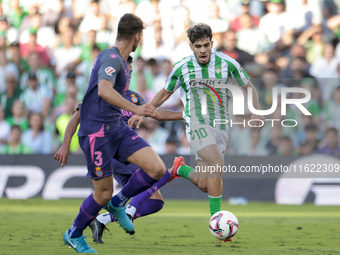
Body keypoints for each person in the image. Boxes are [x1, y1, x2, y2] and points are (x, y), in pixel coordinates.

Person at [129, 23, 266, 242]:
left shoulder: (228, 64)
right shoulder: (182, 67)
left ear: (212, 43)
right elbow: (165, 93)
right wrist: (143, 112)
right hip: (197, 125)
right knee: (217, 163)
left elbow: (248, 86)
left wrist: (257, 111)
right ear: (191, 46)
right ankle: (218, 222)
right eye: (197, 46)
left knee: (205, 184)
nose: (202, 50)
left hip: (220, 127)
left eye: (205, 45)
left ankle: (179, 169)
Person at [61, 14, 180, 254]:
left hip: (116, 128)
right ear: (137, 36)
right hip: (96, 134)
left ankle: (118, 203)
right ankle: (74, 234)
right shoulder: (111, 57)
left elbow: (151, 111)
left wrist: (186, 116)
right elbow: (104, 90)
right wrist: (135, 109)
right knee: (102, 193)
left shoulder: (123, 64)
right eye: (141, 37)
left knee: (156, 169)